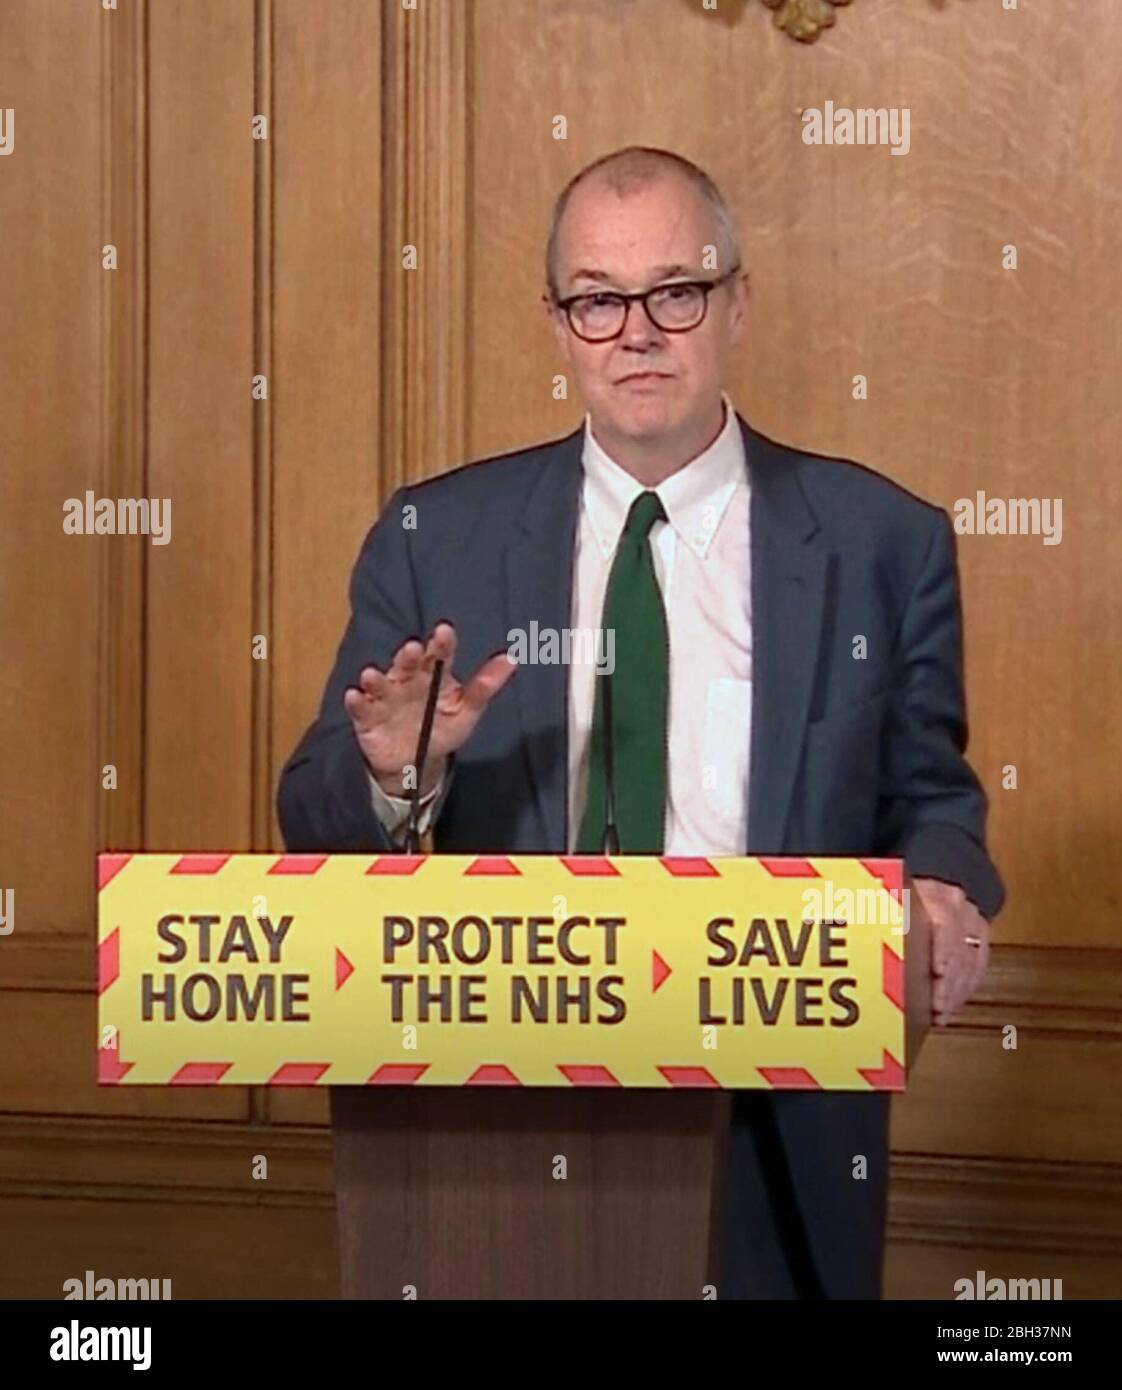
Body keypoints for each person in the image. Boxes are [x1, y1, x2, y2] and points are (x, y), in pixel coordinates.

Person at [277, 145, 1003, 1299]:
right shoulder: (438, 535)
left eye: (677, 290)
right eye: (598, 300)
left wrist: (943, 885)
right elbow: (312, 825)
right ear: (558, 322)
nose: (637, 332)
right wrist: (392, 774)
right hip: (489, 1131)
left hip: (778, 1119)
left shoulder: (881, 541)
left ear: (736, 303)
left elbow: (929, 793)